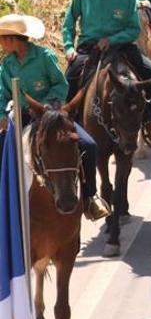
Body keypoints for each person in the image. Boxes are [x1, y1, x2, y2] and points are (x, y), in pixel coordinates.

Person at [63, 0, 151, 144]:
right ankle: (69, 125)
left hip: (121, 46)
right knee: (70, 78)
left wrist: (112, 39)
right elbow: (68, 22)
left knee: (149, 70)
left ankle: (150, 119)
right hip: (89, 47)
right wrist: (68, 47)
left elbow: (134, 28)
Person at [0, 14, 97, 209]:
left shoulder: (45, 57)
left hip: (52, 114)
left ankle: (90, 198)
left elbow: (61, 85)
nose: (0, 44)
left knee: (89, 145)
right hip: (23, 117)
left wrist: (45, 106)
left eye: (2, 39)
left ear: (12, 39)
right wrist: (2, 115)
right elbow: (2, 93)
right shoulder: (7, 65)